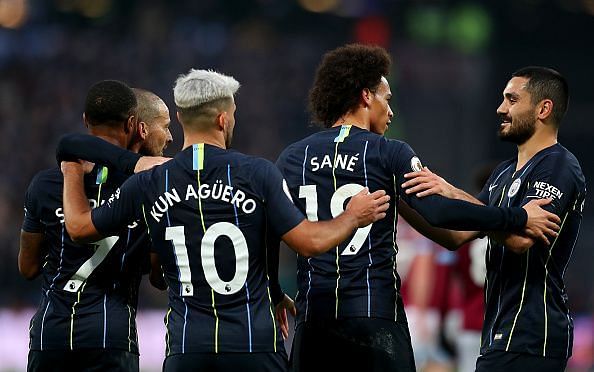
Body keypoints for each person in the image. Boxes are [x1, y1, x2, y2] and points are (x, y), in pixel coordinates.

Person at [58, 68, 391, 372]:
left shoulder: (151, 181)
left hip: (187, 352)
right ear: (222, 119)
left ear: (179, 117)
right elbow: (309, 242)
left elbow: (78, 227)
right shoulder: (258, 173)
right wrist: (352, 217)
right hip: (253, 348)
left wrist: (72, 171)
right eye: (233, 115)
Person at [273, 44, 561, 372]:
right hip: (375, 321)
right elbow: (440, 213)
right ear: (367, 97)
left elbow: (450, 237)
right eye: (387, 99)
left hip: (314, 323)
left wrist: (272, 288)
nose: (391, 111)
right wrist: (517, 216)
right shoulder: (388, 153)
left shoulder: (293, 158)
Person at [401, 66, 586, 371]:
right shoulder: (502, 173)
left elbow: (519, 239)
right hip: (498, 332)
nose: (501, 108)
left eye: (512, 100)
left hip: (532, 335)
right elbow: (455, 236)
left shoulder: (558, 166)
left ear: (543, 109)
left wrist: (455, 196)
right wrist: (400, 198)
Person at [19, 81, 170, 372]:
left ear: (86, 120)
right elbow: (157, 275)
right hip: (111, 335)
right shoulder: (145, 189)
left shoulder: (47, 183)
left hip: (51, 334)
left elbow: (27, 267)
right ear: (132, 123)